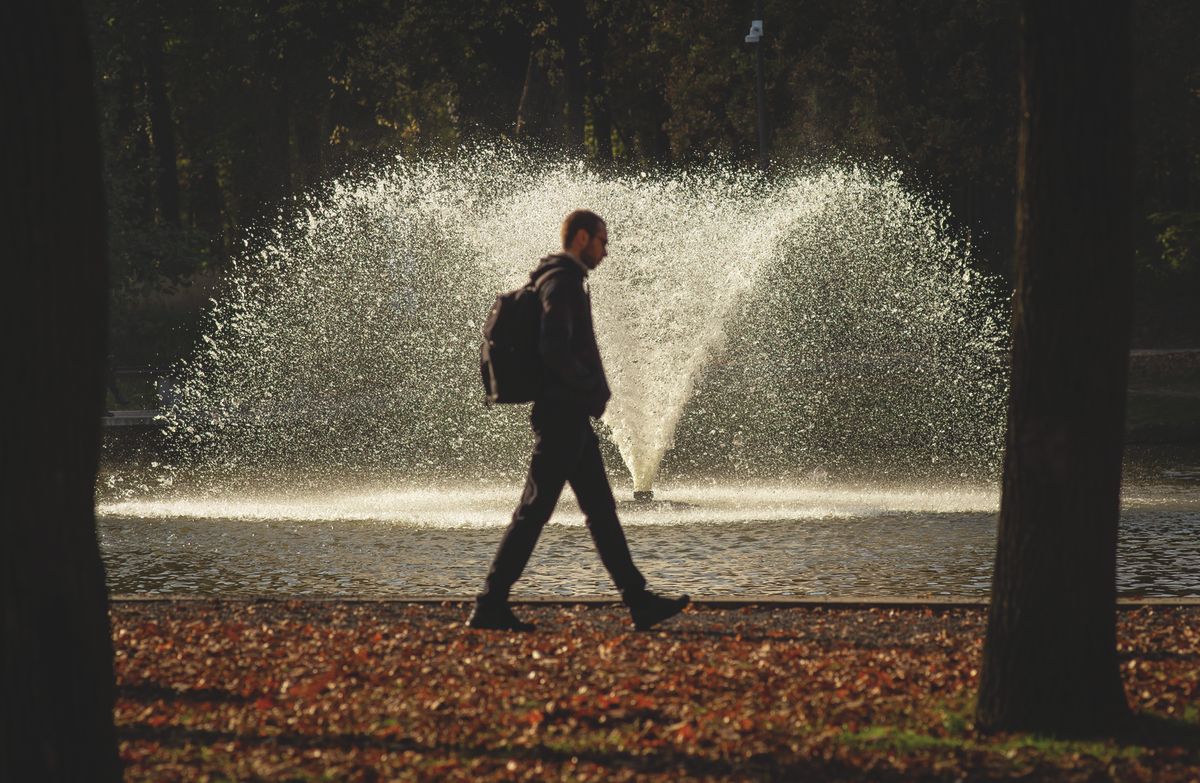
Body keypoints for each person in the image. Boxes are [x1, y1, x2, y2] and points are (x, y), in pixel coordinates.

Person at [468, 210, 690, 632]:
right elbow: (554, 346)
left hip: (567, 417)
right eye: (603, 242)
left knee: (600, 511)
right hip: (562, 416)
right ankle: (489, 601)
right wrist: (590, 387)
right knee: (534, 512)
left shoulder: (556, 279)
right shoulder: (563, 282)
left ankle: (637, 600)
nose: (606, 252)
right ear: (583, 238)